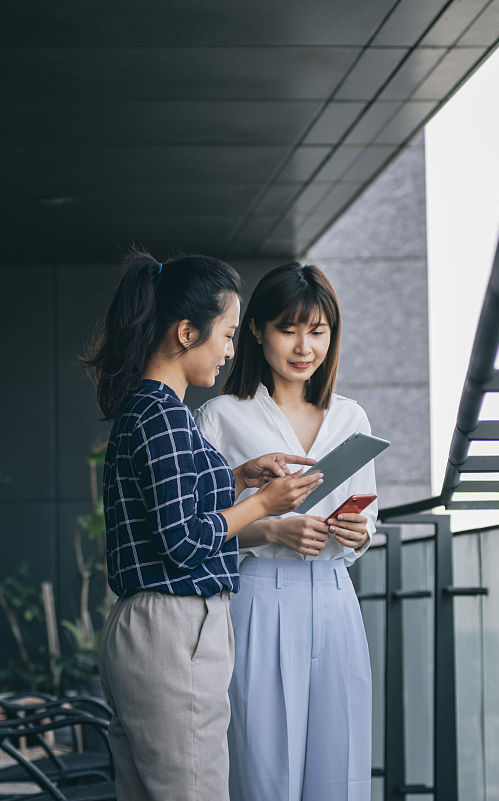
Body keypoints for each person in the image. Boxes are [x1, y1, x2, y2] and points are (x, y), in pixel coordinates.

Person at [83, 250, 323, 801]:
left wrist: (237, 478)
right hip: (172, 632)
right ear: (188, 332)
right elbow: (184, 540)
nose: (232, 352)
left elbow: (168, 505)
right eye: (229, 335)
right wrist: (265, 504)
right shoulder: (165, 416)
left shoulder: (148, 410)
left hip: (148, 630)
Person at [194, 261, 376, 801]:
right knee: (263, 769)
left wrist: (356, 531)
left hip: (337, 601)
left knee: (339, 766)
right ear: (256, 330)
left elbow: (370, 525)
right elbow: (203, 531)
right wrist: (273, 530)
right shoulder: (221, 417)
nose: (304, 347)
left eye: (318, 332)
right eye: (289, 329)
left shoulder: (352, 419)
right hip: (259, 601)